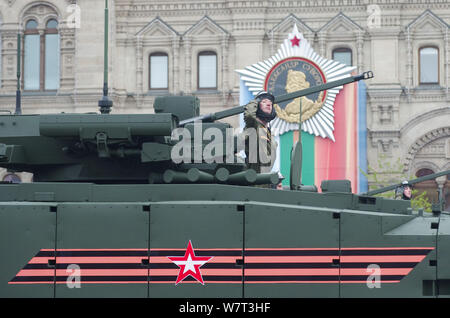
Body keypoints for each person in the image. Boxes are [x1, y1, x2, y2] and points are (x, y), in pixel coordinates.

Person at [243, 91, 278, 174]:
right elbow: (249, 115)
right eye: (264, 102)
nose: (269, 104)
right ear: (257, 106)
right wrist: (255, 101)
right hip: (253, 178)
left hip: (264, 178)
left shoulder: (269, 132)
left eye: (270, 102)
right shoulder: (253, 126)